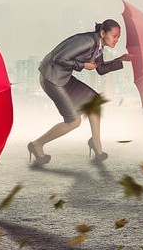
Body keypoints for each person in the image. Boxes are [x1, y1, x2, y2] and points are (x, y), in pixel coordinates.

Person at [28, 19, 133, 165]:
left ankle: (96, 145)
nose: (116, 40)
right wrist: (83, 65)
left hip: (63, 77)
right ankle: (37, 144)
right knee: (74, 121)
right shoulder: (87, 41)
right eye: (114, 36)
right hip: (51, 78)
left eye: (118, 37)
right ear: (103, 33)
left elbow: (100, 69)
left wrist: (121, 59)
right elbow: (58, 58)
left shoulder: (98, 46)